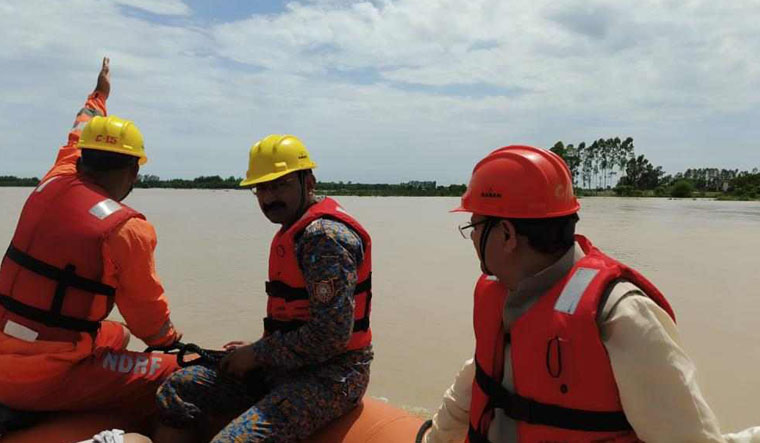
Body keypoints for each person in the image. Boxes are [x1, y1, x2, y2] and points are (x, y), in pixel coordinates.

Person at [422, 145, 760, 442]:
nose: (471, 238)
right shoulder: (507, 296)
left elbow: (688, 437)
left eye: (475, 227)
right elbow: (479, 377)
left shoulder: (621, 316)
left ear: (507, 235)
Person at [153, 135, 373, 442]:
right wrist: (262, 349)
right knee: (177, 391)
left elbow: (331, 336)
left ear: (308, 181)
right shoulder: (294, 229)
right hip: (286, 364)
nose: (269, 198)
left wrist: (259, 353)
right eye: (262, 188)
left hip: (332, 375)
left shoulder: (325, 239)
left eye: (280, 185)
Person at [0, 58, 181, 419]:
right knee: (174, 371)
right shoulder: (127, 229)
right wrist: (177, 346)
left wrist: (100, 94)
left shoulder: (55, 177)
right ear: (134, 170)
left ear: (82, 156)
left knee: (116, 334)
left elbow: (79, 125)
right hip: (44, 375)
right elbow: (150, 323)